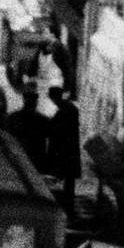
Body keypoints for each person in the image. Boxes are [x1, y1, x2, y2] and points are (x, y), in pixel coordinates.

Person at [45, 84, 82, 216]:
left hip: (66, 151)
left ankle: (68, 208)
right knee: (69, 180)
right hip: (70, 149)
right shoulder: (69, 108)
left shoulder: (64, 110)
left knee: (68, 180)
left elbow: (56, 129)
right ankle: (68, 206)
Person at [6, 88, 49, 171]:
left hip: (21, 156)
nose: (32, 101)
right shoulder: (43, 120)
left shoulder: (13, 117)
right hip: (34, 159)